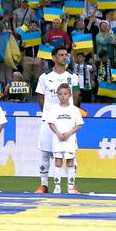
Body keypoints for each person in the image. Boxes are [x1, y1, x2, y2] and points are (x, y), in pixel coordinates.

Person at [34, 45, 80, 193]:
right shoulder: (45, 77)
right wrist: (48, 115)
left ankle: (71, 187)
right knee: (45, 153)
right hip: (49, 121)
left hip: (67, 122)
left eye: (66, 54)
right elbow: (40, 97)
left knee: (70, 153)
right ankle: (44, 185)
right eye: (61, 55)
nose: (64, 57)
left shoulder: (72, 76)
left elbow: (77, 96)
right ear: (53, 58)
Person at [45, 83, 84, 195]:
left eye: (65, 94)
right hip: (57, 139)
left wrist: (68, 133)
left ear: (70, 95)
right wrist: (58, 133)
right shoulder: (54, 109)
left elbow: (79, 125)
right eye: (60, 94)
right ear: (57, 95)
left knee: (70, 161)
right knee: (57, 161)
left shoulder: (74, 110)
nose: (63, 96)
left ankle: (70, 187)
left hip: (70, 140)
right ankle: (57, 188)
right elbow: (51, 123)